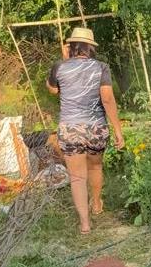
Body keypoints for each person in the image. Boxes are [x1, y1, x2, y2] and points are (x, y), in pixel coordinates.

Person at [46, 27, 124, 234]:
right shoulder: (101, 67)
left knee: (77, 177)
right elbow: (107, 98)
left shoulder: (59, 67)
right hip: (96, 128)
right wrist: (117, 129)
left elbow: (53, 90)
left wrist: (64, 60)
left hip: (70, 129)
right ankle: (97, 203)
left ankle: (85, 224)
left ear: (70, 46)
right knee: (95, 168)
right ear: (90, 47)